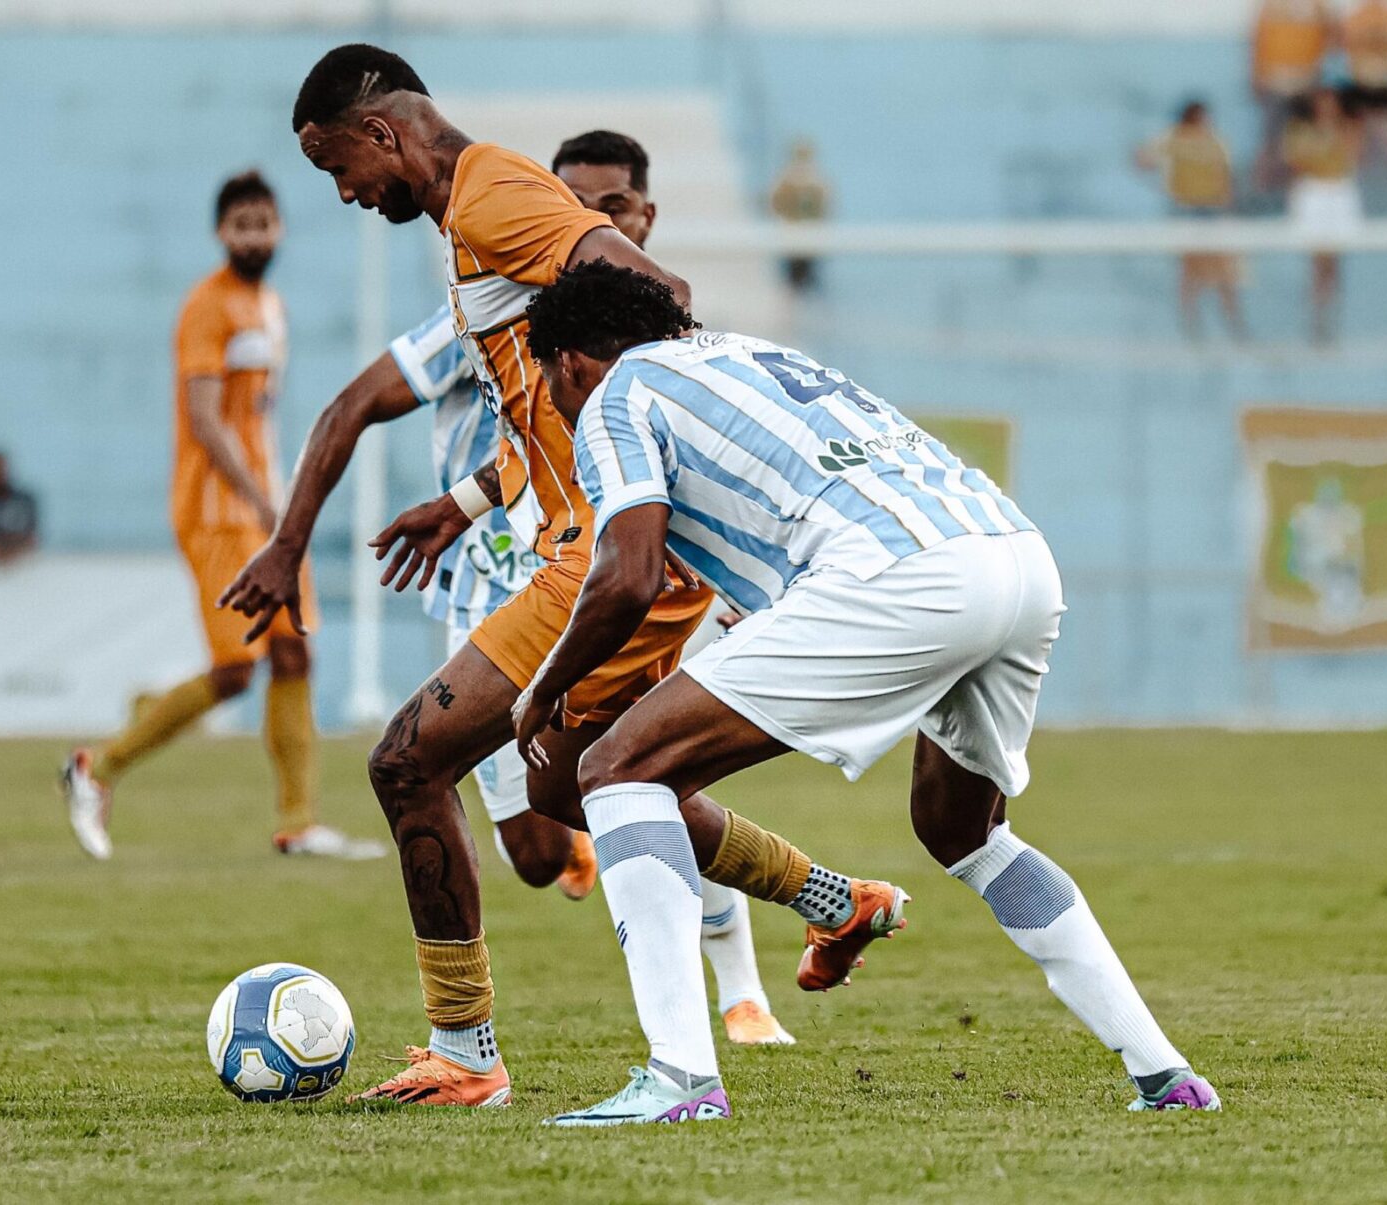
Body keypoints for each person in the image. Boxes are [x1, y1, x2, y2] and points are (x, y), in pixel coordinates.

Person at [235, 44, 902, 1111]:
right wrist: (467, 498)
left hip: (606, 551)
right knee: (574, 789)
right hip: (583, 539)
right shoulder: (472, 214)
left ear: (381, 133)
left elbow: (660, 296)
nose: (347, 194)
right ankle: (836, 897)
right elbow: (552, 398)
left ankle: (466, 1048)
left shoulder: (494, 192)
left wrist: (682, 496)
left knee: (409, 763)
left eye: (336, 167)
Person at [513, 259, 1219, 1124]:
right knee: (963, 827)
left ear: (571, 361)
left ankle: (680, 1079)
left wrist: (545, 688)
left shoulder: (619, 390)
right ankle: (1166, 1075)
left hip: (898, 577)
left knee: (620, 766)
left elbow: (626, 576)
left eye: (548, 378)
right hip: (1014, 554)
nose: (553, 399)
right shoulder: (746, 354)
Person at [61, 171, 379, 863]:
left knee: (295, 651)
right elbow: (205, 420)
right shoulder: (207, 306)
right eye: (241, 224)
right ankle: (97, 766)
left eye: (264, 222)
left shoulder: (269, 305)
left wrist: (278, 497)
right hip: (216, 509)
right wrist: (262, 498)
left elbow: (256, 415)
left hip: (266, 507)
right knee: (237, 667)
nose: (254, 235)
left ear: (281, 229)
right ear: (219, 232)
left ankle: (298, 822)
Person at [1135, 100, 1246, 340]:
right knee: (1190, 268)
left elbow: (1226, 176)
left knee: (1223, 268)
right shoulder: (1174, 139)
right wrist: (1164, 183)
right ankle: (1190, 323)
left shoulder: (1215, 141)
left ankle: (1233, 322)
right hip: (1187, 208)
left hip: (1212, 209)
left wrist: (1227, 205)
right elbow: (1142, 159)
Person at [1284, 86, 1364, 343]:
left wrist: (1333, 140)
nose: (1326, 108)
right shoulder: (1300, 130)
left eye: (1330, 103)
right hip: (1314, 192)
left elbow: (1353, 157)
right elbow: (1297, 162)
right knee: (1317, 261)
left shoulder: (1349, 127)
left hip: (1338, 190)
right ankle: (1317, 319)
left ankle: (1333, 319)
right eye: (1322, 102)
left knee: (1334, 260)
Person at [1251, 0, 1335, 199]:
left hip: (1307, 80)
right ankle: (1265, 194)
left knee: (1305, 143)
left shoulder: (1318, 5)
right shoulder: (1270, 5)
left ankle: (1301, 194)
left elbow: (1331, 36)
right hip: (1275, 80)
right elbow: (1257, 39)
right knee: (1272, 141)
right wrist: (1256, 75)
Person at [1339, 0, 1387, 210]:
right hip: (1360, 86)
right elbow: (1350, 44)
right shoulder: (1355, 18)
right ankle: (1357, 195)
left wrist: (1373, 36)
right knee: (1356, 149)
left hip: (1385, 86)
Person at [769, 139, 830, 294]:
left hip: (809, 235)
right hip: (791, 233)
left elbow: (823, 206)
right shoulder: (786, 182)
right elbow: (777, 203)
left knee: (807, 270)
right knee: (794, 272)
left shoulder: (817, 183)